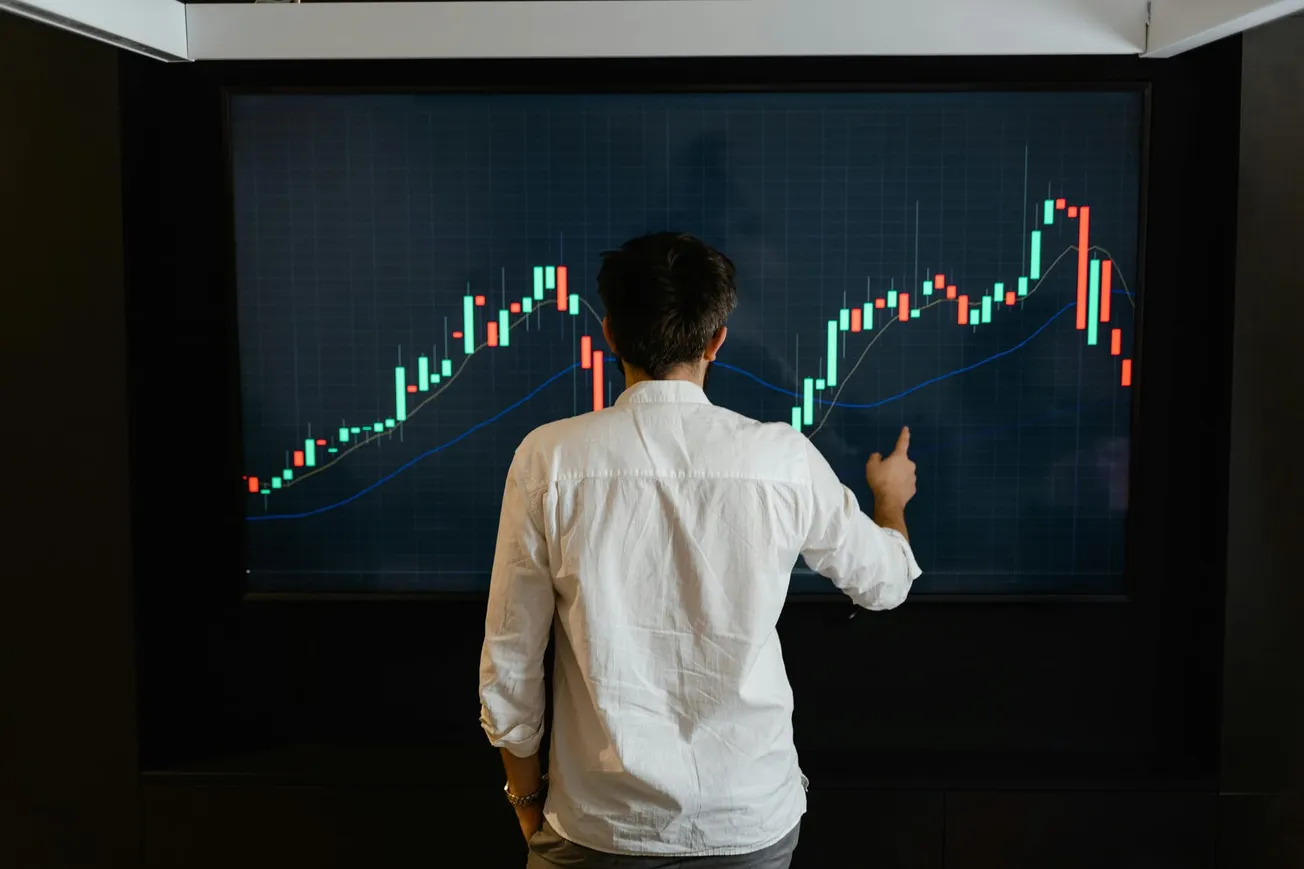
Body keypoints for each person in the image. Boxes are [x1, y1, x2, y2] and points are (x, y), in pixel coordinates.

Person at [479, 232, 921, 868]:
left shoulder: (547, 459)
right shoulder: (782, 458)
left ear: (609, 334)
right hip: (747, 823)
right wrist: (890, 502)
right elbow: (885, 584)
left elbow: (511, 665)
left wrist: (525, 802)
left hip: (596, 828)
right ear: (716, 339)